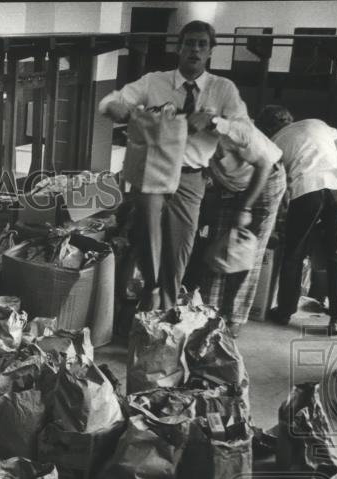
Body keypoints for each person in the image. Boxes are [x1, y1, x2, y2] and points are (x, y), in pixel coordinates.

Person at [100, 20, 248, 310]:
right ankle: (148, 298)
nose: (195, 49)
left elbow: (245, 134)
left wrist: (215, 121)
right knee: (146, 238)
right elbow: (109, 103)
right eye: (189, 43)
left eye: (202, 44)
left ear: (209, 51)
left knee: (180, 247)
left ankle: (166, 309)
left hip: (191, 177)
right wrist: (121, 110)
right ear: (179, 48)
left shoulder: (222, 89)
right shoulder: (155, 81)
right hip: (151, 174)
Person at [256, 106, 337, 335]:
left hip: (307, 191)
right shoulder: (318, 123)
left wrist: (279, 219)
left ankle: (284, 312)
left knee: (294, 253)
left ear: (267, 127)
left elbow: (278, 185)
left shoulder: (275, 142)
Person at [200, 116, 287, 337]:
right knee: (218, 248)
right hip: (231, 185)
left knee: (247, 251)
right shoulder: (186, 134)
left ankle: (234, 318)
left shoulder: (234, 130)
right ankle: (210, 315)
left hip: (266, 180)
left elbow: (264, 165)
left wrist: (245, 208)